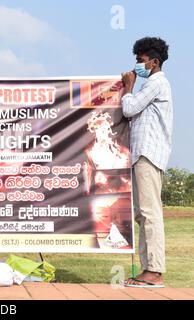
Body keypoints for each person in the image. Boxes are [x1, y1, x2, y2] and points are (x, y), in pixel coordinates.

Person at [121, 37, 172, 288]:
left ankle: (154, 271)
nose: (137, 65)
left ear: (154, 62)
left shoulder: (155, 83)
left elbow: (129, 109)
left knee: (149, 213)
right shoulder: (152, 85)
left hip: (148, 156)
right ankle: (148, 269)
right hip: (143, 155)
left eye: (140, 60)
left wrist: (128, 88)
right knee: (143, 214)